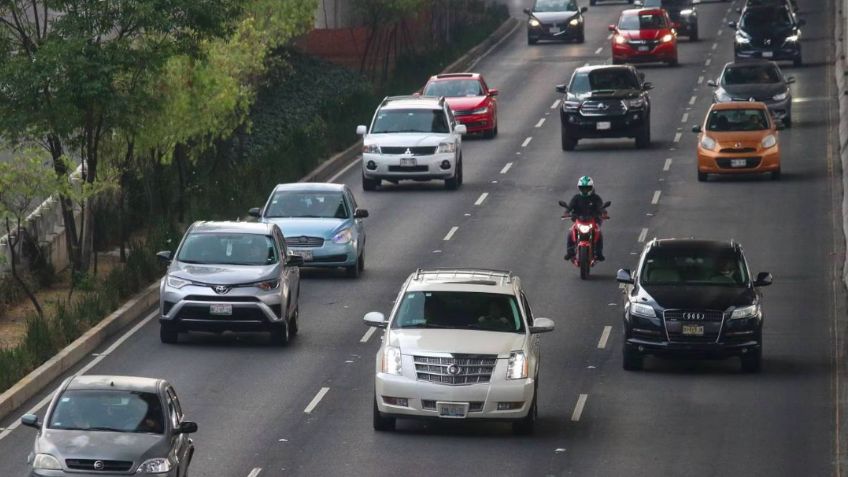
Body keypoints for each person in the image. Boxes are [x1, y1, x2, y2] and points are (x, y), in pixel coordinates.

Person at [564, 176, 606, 261]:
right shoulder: (576, 198)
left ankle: (599, 252)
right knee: (570, 232)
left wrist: (603, 213)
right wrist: (567, 212)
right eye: (583, 188)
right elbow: (570, 206)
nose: (585, 190)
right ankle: (570, 251)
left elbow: (601, 207)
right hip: (579, 220)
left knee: (599, 233)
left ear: (592, 188)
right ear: (579, 188)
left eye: (587, 188)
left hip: (593, 220)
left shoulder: (596, 198)